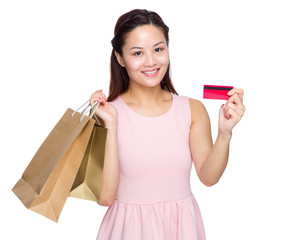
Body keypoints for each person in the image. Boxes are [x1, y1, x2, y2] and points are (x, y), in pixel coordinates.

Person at [90, 9, 245, 240]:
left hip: (181, 230)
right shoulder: (107, 114)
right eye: (137, 53)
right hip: (128, 231)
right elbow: (105, 198)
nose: (151, 61)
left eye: (158, 49)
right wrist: (110, 127)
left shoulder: (192, 110)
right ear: (120, 58)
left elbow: (209, 177)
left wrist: (224, 133)